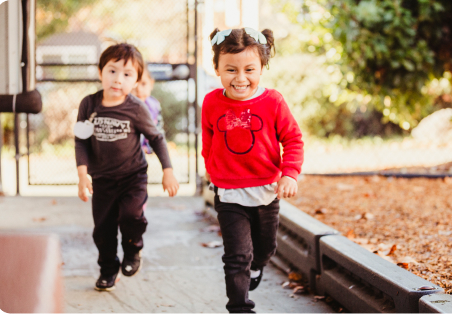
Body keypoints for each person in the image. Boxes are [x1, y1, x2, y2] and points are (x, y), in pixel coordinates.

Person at [202, 28, 304, 313]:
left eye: (249, 69)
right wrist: (212, 170)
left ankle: (258, 266)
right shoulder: (211, 102)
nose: (240, 78)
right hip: (229, 193)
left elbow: (293, 139)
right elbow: (208, 141)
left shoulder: (273, 102)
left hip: (266, 192)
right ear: (217, 69)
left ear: (262, 68)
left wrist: (290, 173)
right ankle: (239, 306)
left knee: (264, 249)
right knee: (237, 256)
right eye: (231, 69)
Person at [75, 43, 179, 291]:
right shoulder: (89, 105)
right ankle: (108, 269)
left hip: (133, 177)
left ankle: (133, 248)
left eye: (127, 74)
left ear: (136, 81)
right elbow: (81, 140)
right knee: (103, 229)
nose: (118, 79)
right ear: (100, 71)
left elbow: (156, 138)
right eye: (112, 71)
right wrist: (82, 175)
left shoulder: (135, 107)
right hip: (102, 180)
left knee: (131, 215)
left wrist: (168, 170)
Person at [131, 66, 165, 154]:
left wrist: (148, 148)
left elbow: (158, 131)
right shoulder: (124, 105)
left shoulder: (154, 106)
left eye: (143, 84)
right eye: (134, 84)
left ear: (151, 84)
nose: (138, 89)